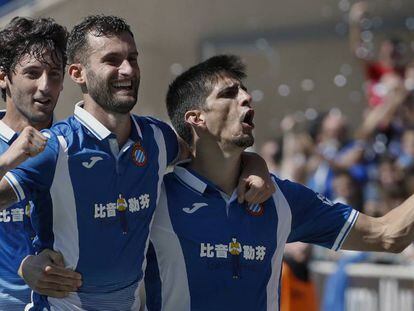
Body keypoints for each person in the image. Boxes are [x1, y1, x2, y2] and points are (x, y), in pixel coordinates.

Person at [20, 54, 414, 310]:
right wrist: (32, 265)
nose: (247, 99)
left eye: (245, 91)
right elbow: (80, 240)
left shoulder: (279, 197)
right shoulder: (152, 197)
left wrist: (257, 164)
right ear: (196, 119)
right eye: (230, 93)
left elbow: (388, 236)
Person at [0, 16, 273, 310]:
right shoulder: (57, 147)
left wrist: (256, 164)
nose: (127, 69)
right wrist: (24, 264)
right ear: (78, 73)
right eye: (112, 60)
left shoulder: (157, 138)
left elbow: (209, 151)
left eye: (132, 58)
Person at [0, 16, 70, 310]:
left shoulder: (74, 147)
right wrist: (7, 160)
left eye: (54, 74)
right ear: (3, 76)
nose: (45, 86)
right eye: (32, 72)